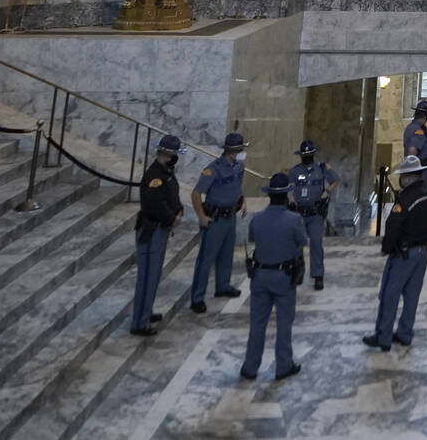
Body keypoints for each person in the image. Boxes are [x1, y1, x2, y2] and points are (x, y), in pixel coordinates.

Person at [364, 153, 427, 351]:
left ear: (406, 178)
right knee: (412, 295)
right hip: (423, 251)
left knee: (389, 294)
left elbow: (394, 226)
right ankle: (405, 334)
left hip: (404, 253)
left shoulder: (404, 199)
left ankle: (384, 337)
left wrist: (386, 247)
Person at [241, 170, 309, 382]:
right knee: (283, 324)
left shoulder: (257, 219)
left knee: (257, 324)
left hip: (260, 275)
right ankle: (283, 366)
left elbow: (254, 238)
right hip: (283, 277)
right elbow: (303, 241)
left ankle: (250, 367)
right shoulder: (294, 219)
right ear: (287, 195)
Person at [130, 132, 184, 335]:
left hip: (161, 230)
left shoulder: (166, 173)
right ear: (169, 154)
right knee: (147, 277)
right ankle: (139, 323)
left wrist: (179, 211)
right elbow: (154, 206)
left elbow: (173, 196)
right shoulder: (154, 176)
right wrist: (172, 218)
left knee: (154, 275)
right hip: (151, 231)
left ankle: (147, 311)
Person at [188, 132, 248, 312]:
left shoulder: (239, 166)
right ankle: (197, 297)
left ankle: (223, 286)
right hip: (215, 219)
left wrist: (242, 200)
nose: (242, 152)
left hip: (230, 216)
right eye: (239, 149)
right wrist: (201, 216)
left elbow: (236, 187)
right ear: (231, 150)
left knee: (226, 255)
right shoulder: (213, 169)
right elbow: (196, 193)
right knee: (206, 259)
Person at [287, 138, 341, 290]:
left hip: (316, 212)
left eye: (309, 154)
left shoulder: (322, 168)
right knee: (297, 244)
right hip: (299, 213)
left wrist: (328, 191)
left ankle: (318, 275)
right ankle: (298, 271)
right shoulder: (295, 170)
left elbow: (336, 180)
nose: (307, 157)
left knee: (316, 243)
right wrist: (291, 198)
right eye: (305, 154)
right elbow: (288, 187)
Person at [402, 98, 427, 172]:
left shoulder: (410, 127)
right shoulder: (418, 130)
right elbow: (412, 150)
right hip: (419, 171)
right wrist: (412, 171)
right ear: (426, 116)